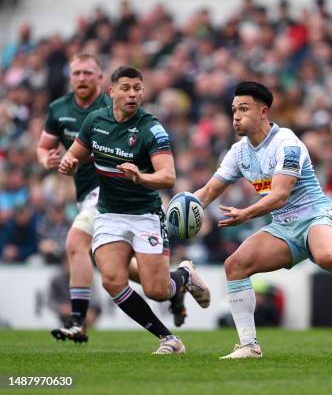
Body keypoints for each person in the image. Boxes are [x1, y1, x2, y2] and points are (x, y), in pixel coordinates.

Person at [192, 81, 332, 359]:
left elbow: (280, 195)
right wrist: (187, 206)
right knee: (234, 266)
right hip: (284, 227)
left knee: (327, 256)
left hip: (315, 215)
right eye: (234, 109)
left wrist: (246, 214)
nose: (236, 115)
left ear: (263, 112)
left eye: (244, 109)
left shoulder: (287, 142)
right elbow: (210, 190)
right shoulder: (238, 152)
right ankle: (249, 345)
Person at [58, 66, 210, 354]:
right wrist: (68, 163)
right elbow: (74, 155)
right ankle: (169, 340)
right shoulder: (95, 121)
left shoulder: (151, 129)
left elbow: (168, 177)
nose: (132, 94)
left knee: (157, 290)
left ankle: (184, 275)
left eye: (137, 88)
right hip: (109, 213)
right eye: (125, 88)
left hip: (145, 215)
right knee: (112, 279)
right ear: (111, 91)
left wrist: (141, 177)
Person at [37, 53, 111, 341]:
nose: (82, 78)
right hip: (85, 196)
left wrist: (76, 157)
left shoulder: (110, 107)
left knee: (75, 242)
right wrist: (47, 161)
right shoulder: (59, 109)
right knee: (120, 271)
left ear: (100, 78)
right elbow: (43, 147)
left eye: (88, 73)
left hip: (108, 191)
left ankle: (78, 321)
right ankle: (180, 281)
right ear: (70, 77)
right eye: (77, 73)